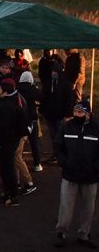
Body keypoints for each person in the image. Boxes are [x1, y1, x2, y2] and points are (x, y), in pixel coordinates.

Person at [54, 101, 99, 248]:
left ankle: (83, 234)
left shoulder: (96, 129)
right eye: (75, 112)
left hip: (90, 176)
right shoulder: (66, 127)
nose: (76, 115)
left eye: (80, 113)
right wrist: (63, 161)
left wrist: (95, 167)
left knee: (88, 208)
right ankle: (61, 233)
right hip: (70, 174)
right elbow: (58, 145)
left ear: (88, 114)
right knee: (66, 206)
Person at [0, 78, 30, 206]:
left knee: (8, 168)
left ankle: (13, 195)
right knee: (4, 167)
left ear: (5, 91)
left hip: (7, 142)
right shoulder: (11, 102)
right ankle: (7, 191)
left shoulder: (6, 106)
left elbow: (3, 126)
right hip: (9, 141)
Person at [17, 71, 43, 172]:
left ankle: (19, 162)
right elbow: (41, 98)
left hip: (20, 119)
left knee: (19, 144)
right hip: (32, 119)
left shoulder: (17, 88)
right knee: (34, 143)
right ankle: (37, 164)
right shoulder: (32, 89)